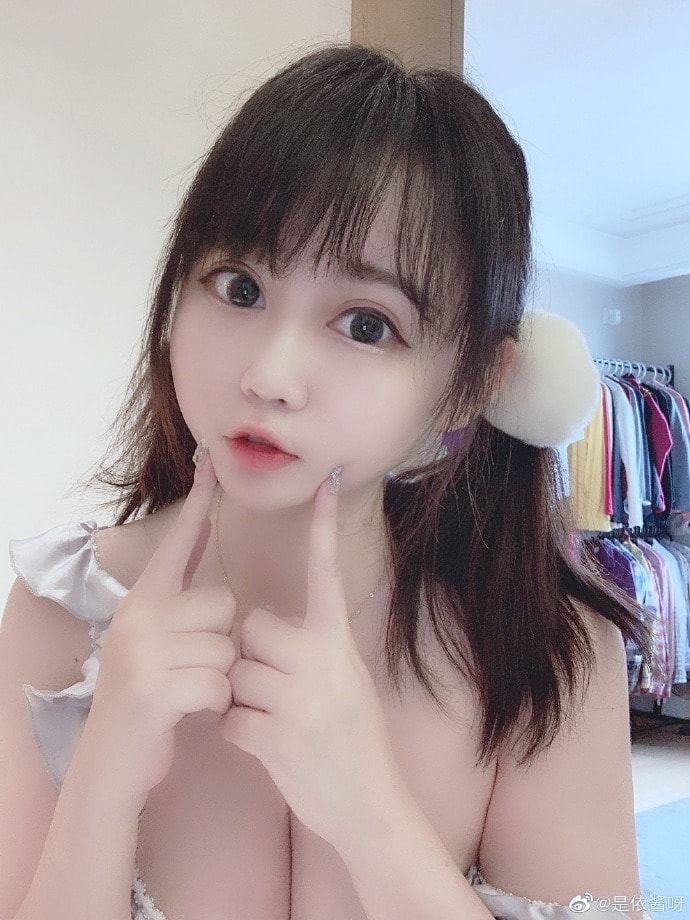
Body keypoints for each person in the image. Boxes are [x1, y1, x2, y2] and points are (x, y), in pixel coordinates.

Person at [0, 44, 654, 920]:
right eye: (239, 287)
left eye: (365, 324)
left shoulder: (545, 655)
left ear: (469, 386)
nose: (271, 375)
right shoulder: (61, 611)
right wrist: (102, 778)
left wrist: (371, 817)